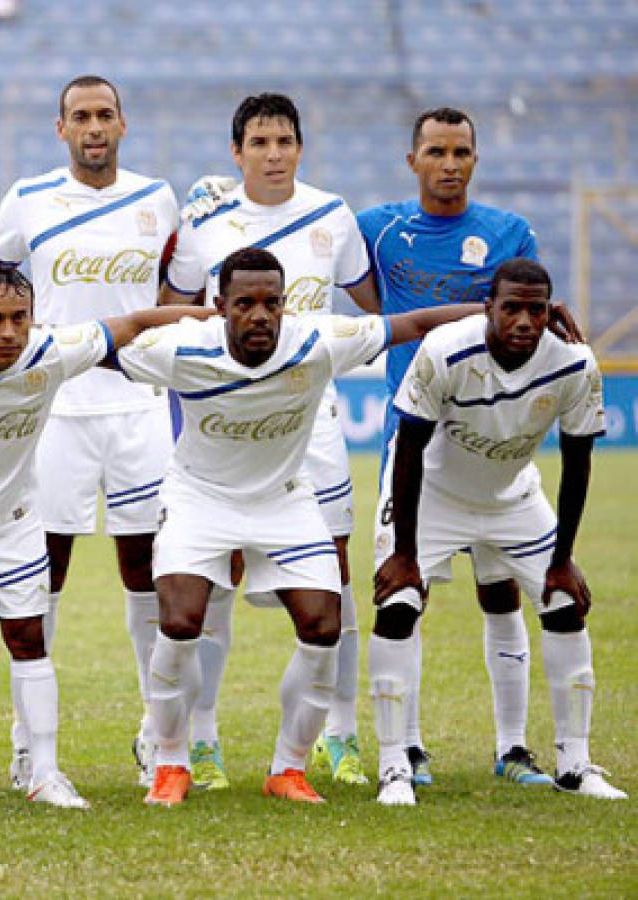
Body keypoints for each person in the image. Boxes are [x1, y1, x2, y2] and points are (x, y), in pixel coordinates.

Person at [116, 246, 481, 807]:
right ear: (220, 307)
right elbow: (98, 348)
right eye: (245, 304)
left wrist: (498, 311)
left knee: (323, 626)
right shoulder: (181, 348)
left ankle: (288, 768)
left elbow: (415, 323)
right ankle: (170, 761)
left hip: (284, 501)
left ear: (285, 305)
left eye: (271, 303)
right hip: (198, 499)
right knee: (182, 620)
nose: (260, 315)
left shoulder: (317, 340)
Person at [0, 262, 213, 808]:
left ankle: (45, 773)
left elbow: (139, 321)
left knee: (29, 639)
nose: (8, 331)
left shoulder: (51, 350)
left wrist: (216, 317)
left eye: (19, 318)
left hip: (14, 520)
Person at [161, 93, 379, 789]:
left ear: (299, 147)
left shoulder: (332, 215)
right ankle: (201, 741)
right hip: (227, 421)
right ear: (236, 151)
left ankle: (337, 736)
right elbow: (175, 313)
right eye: (259, 142)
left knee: (334, 578)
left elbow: (375, 303)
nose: (274, 153)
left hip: (310, 424)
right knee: (213, 582)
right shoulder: (204, 221)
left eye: (284, 140)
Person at [371, 258, 625, 805]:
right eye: (512, 308)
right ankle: (396, 763)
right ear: (489, 306)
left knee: (564, 605)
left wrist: (563, 558)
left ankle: (575, 762)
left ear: (550, 310)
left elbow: (578, 462)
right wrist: (406, 555)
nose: (525, 321)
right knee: (399, 604)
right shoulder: (444, 350)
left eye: (536, 310)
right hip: (432, 492)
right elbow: (410, 448)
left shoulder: (575, 364)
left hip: (511, 496)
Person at [358, 107, 562, 786]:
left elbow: (527, 316)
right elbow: (366, 304)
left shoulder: (507, 233)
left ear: (474, 159)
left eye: (461, 152)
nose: (449, 164)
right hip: (413, 443)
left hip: (493, 444)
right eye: (436, 151)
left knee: (499, 592)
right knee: (403, 590)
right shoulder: (377, 230)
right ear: (410, 159)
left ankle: (511, 750)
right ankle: (407, 749)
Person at [0, 74, 179, 789]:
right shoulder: (25, 199)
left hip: (137, 407)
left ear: (122, 126)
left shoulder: (156, 199)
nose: (93, 127)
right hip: (55, 409)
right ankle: (25, 744)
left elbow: (176, 292)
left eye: (105, 115)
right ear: (60, 128)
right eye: (80, 116)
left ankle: (155, 736)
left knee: (146, 573)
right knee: (43, 574)